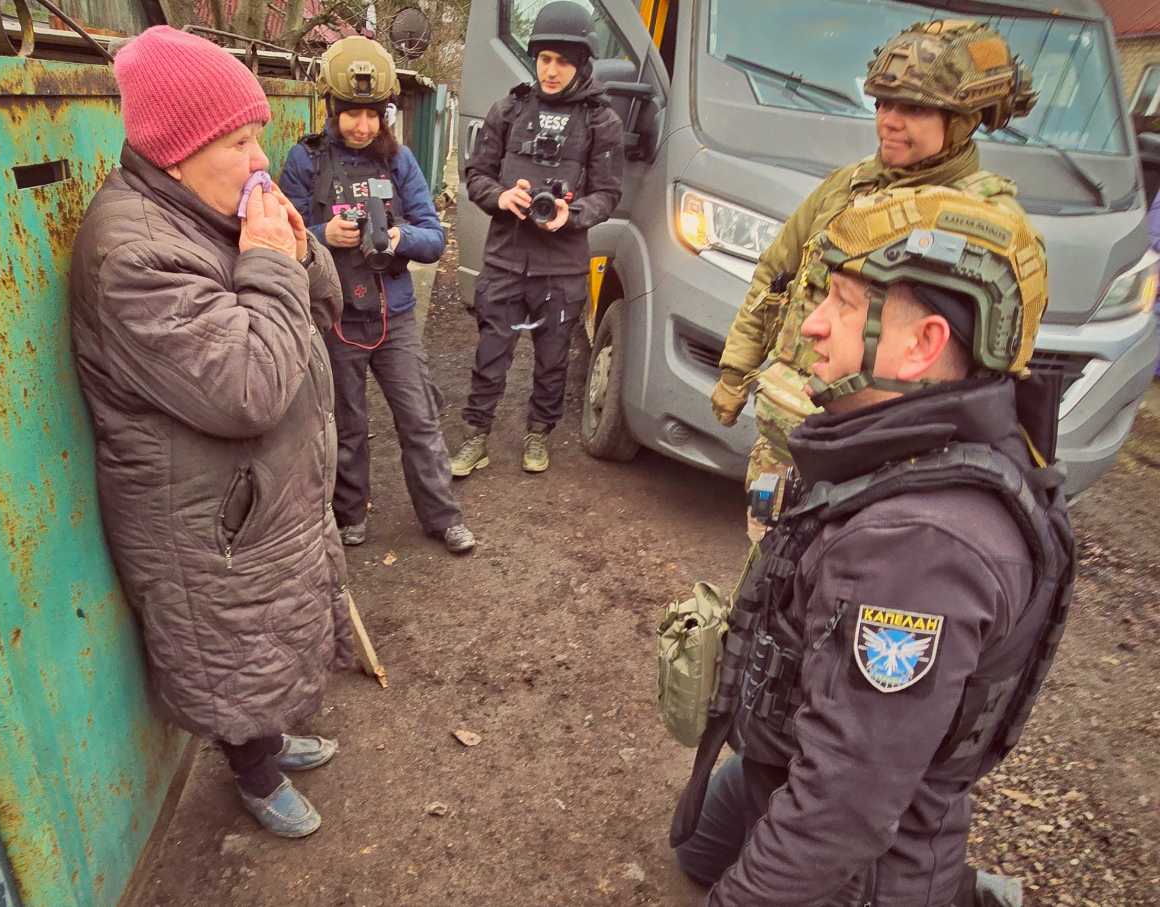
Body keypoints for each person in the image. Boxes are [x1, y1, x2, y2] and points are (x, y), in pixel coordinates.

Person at [671, 187, 1074, 906]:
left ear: (923, 347)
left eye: (847, 307)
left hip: (866, 863)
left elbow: (842, 809)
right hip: (789, 757)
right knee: (697, 842)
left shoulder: (920, 548)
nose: (814, 326)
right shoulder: (913, 444)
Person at [68, 26, 352, 839]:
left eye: (257, 135)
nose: (260, 158)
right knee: (231, 642)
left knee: (270, 628)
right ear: (174, 154)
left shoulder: (208, 212)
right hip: (204, 521)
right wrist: (266, 259)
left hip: (249, 498)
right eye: (238, 141)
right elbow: (249, 389)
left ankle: (272, 736)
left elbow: (320, 313)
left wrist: (293, 249)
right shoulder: (132, 254)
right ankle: (254, 775)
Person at [707, 20, 1037, 541]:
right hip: (786, 433)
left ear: (964, 120)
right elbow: (777, 275)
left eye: (914, 108)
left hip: (876, 460)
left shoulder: (986, 226)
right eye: (883, 103)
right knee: (767, 569)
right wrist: (736, 371)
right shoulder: (850, 185)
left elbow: (988, 371)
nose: (889, 121)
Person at [280, 36, 476, 555]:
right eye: (351, 114)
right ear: (331, 109)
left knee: (419, 419)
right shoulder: (305, 160)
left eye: (372, 114)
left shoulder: (401, 161)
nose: (362, 126)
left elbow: (434, 238)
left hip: (395, 317)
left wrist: (397, 237)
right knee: (347, 424)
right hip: (335, 316)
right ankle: (350, 515)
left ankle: (442, 516)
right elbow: (280, 236)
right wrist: (323, 236)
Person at [450, 0, 624, 477]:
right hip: (506, 260)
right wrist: (502, 197)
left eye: (562, 61)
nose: (551, 70)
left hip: (563, 267)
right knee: (490, 356)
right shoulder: (508, 109)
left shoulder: (601, 121)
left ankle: (538, 434)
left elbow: (608, 192)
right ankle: (477, 437)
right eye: (545, 59)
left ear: (581, 63)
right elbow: (476, 174)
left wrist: (572, 212)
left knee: (552, 362)